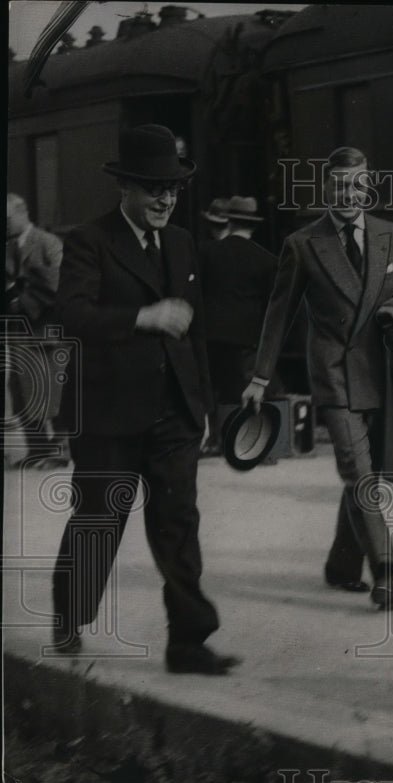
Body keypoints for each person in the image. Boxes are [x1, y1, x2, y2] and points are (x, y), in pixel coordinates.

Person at [51, 125, 239, 674]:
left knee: (178, 524)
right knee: (98, 521)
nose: (165, 200)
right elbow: (69, 316)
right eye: (154, 188)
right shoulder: (90, 240)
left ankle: (188, 642)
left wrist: (203, 407)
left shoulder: (181, 243)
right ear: (126, 188)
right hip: (108, 414)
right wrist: (143, 317)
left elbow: (195, 331)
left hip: (174, 412)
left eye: (174, 190)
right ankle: (69, 616)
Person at [242, 146, 393, 611]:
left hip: (382, 374)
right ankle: (384, 567)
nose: (347, 194)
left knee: (367, 473)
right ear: (326, 188)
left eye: (356, 184)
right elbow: (278, 314)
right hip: (336, 375)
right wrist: (260, 378)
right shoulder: (303, 244)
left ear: (369, 186)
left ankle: (341, 566)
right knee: (357, 470)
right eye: (339, 185)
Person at [199, 196, 279, 455]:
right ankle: (243, 442)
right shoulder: (267, 260)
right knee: (242, 390)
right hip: (247, 339)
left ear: (229, 221)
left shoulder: (206, 252)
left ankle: (212, 440)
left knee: (209, 388)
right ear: (253, 227)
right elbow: (272, 308)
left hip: (209, 335)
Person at [5, 192, 67, 468]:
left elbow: (60, 283)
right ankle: (37, 450)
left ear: (22, 212)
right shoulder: (6, 248)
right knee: (22, 392)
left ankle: (60, 452)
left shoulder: (48, 242)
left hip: (46, 332)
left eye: (6, 219)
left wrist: (23, 300)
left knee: (54, 393)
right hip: (18, 333)